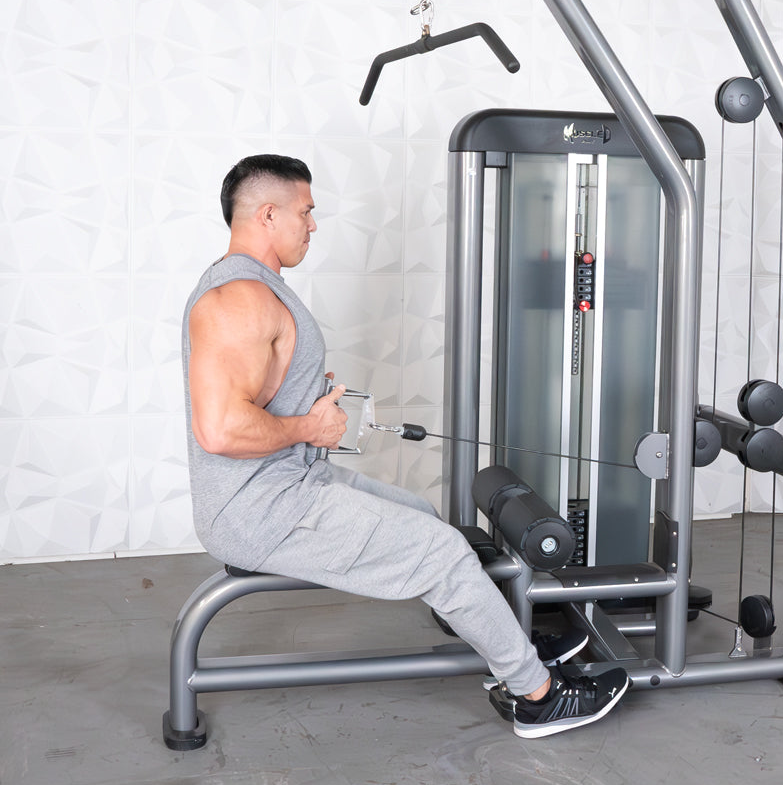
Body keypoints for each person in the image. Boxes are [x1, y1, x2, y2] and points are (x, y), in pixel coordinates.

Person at [181, 154, 630, 739]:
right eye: (306, 212)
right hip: (260, 510)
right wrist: (307, 428)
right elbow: (219, 430)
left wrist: (304, 400)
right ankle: (536, 696)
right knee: (442, 552)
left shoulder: (253, 288)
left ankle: (499, 636)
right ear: (268, 214)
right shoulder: (238, 299)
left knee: (420, 516)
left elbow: (258, 391)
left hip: (289, 484)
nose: (313, 225)